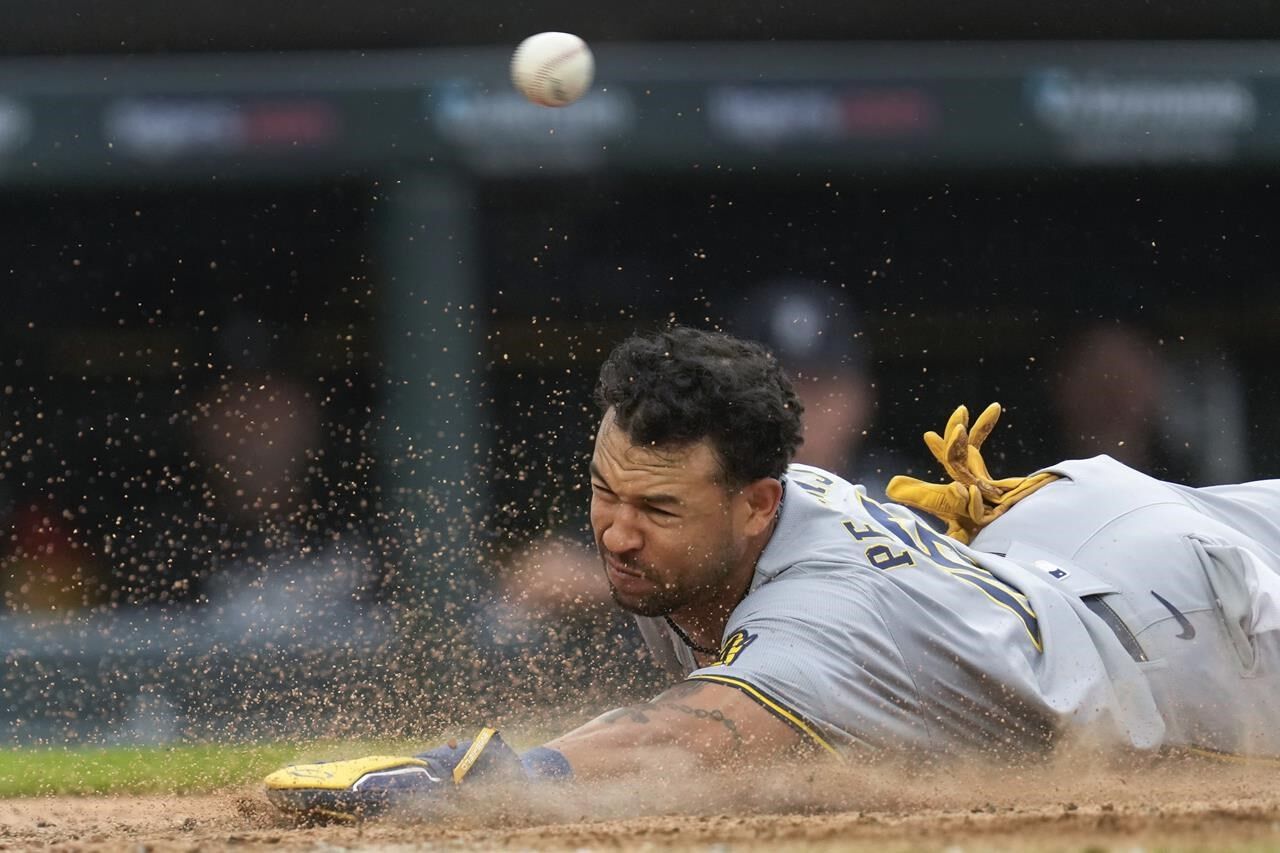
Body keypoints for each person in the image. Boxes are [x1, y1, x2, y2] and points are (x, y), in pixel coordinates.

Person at [264, 326, 1280, 820]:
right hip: (1086, 547)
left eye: (656, 508)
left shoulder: (821, 611)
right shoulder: (741, 521)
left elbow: (695, 731)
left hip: (1202, 633)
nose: (615, 533)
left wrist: (494, 778)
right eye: (604, 491)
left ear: (760, 498)